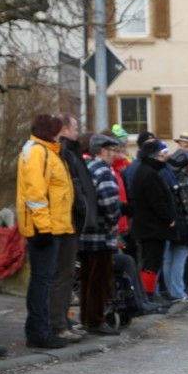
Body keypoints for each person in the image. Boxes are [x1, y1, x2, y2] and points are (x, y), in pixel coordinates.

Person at [17, 114, 72, 349]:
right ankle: (38, 331)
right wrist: (43, 227)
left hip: (50, 226)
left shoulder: (46, 150)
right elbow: (35, 193)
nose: (63, 133)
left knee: (44, 279)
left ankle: (41, 329)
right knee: (42, 280)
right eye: (59, 129)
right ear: (51, 131)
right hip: (44, 229)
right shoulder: (39, 152)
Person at [51, 114, 95, 342]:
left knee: (66, 275)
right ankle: (58, 323)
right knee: (61, 275)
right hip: (63, 223)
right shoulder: (62, 154)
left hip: (69, 222)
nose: (78, 132)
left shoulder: (67, 153)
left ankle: (63, 320)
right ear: (64, 129)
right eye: (75, 128)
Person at [79, 135, 125, 335]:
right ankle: (96, 320)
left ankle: (86, 318)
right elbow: (108, 202)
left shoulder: (88, 167)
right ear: (103, 151)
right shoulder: (104, 171)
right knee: (100, 280)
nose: (115, 154)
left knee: (87, 279)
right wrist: (115, 219)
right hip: (101, 234)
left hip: (86, 233)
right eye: (113, 150)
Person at [130, 138, 176, 308]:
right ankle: (147, 296)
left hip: (148, 226)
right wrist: (169, 219)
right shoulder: (149, 174)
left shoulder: (146, 171)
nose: (164, 158)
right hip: (151, 227)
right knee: (151, 262)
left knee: (151, 261)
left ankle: (148, 295)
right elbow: (157, 201)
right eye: (161, 154)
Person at [162, 150, 188, 303]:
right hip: (183, 223)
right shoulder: (183, 179)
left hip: (169, 222)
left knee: (168, 258)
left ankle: (171, 291)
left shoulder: (164, 174)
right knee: (179, 257)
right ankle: (177, 291)